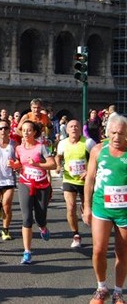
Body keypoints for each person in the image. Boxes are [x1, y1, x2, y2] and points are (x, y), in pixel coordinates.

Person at [84, 114, 127, 304]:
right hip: (102, 207)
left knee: (122, 252)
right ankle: (101, 288)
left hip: (124, 210)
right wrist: (86, 206)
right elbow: (90, 179)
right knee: (99, 251)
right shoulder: (98, 150)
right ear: (107, 132)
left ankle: (118, 292)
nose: (117, 137)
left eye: (122, 133)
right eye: (114, 133)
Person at [15, 120, 56, 265]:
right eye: (24, 130)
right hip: (25, 183)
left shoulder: (41, 148)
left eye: (28, 130)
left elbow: (53, 164)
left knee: (40, 216)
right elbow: (20, 164)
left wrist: (37, 164)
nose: (25, 133)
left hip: (42, 184)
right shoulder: (19, 148)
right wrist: (15, 165)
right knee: (26, 218)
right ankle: (27, 252)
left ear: (34, 132)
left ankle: (43, 227)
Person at [55, 119, 96, 249]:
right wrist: (57, 166)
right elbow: (58, 156)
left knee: (87, 209)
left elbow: (97, 158)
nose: (74, 128)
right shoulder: (62, 144)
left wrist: (89, 172)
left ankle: (95, 231)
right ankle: (76, 235)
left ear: (80, 129)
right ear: (67, 130)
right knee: (70, 207)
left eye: (76, 126)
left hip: (85, 181)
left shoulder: (88, 142)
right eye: (71, 127)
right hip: (69, 179)